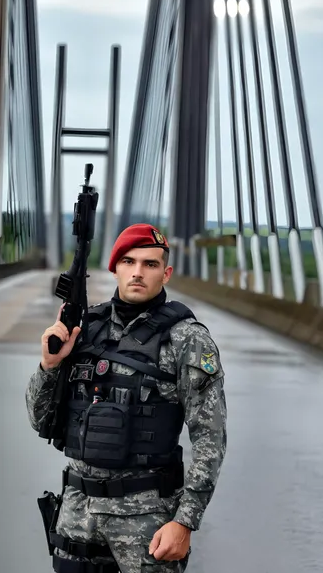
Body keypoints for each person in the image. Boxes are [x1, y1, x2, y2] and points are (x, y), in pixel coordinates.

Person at [26, 223, 227, 573]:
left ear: (166, 274)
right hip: (77, 515)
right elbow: (39, 420)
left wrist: (185, 521)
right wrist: (50, 364)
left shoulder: (187, 340)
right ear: (114, 267)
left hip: (146, 522)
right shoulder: (85, 328)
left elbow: (211, 439)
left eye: (150, 264)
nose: (137, 272)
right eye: (129, 261)